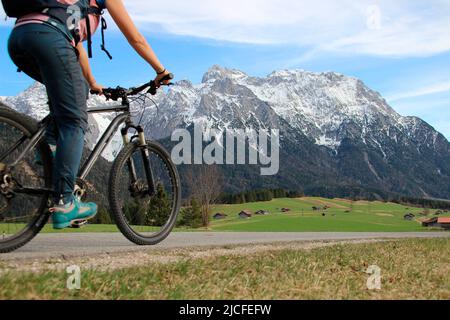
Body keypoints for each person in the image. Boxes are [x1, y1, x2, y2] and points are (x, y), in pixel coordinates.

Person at [7, 0, 172, 229]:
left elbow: (74, 43)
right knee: (75, 121)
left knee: (75, 94)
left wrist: (92, 82)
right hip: (49, 38)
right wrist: (160, 71)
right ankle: (65, 202)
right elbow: (135, 38)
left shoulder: (69, 4)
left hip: (20, 39)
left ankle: (51, 147)